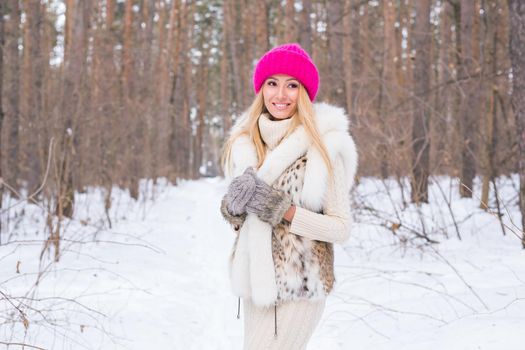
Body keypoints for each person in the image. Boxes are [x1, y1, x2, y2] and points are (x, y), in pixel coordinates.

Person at [220, 43, 358, 350]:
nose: (280, 95)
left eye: (291, 85)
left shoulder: (324, 146)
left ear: (304, 93)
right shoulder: (247, 144)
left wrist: (284, 210)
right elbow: (242, 221)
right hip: (256, 283)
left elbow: (341, 228)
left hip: (301, 285)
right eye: (272, 83)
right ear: (261, 90)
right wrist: (234, 210)